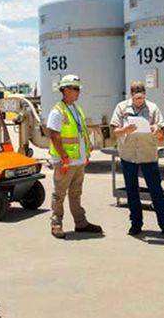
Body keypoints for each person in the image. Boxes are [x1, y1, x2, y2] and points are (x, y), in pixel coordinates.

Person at [110, 81, 164, 238]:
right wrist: (124, 129)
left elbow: (162, 134)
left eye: (142, 97)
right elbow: (114, 131)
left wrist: (156, 130)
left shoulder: (153, 108)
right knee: (132, 192)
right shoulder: (121, 108)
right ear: (131, 95)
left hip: (148, 155)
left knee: (156, 192)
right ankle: (136, 224)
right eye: (136, 98)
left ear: (145, 94)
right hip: (128, 155)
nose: (139, 100)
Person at [47, 74, 103, 239]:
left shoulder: (77, 109)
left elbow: (81, 133)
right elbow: (53, 135)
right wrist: (64, 156)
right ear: (65, 90)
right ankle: (56, 223)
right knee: (59, 194)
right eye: (75, 89)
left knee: (76, 193)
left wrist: (86, 152)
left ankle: (80, 222)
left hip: (78, 160)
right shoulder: (58, 111)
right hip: (66, 161)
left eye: (78, 89)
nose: (78, 92)